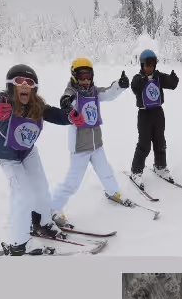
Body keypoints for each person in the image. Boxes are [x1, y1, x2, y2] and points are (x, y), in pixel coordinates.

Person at [0, 64, 79, 255]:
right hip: (8, 156)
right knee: (23, 195)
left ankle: (43, 222)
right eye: (18, 82)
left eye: (29, 82)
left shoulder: (37, 105)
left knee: (41, 189)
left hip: (28, 152)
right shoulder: (5, 101)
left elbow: (54, 114)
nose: (24, 85)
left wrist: (70, 117)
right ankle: (18, 244)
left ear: (34, 88)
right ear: (11, 86)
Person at [49, 58, 131, 227]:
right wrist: (66, 103)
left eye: (88, 76)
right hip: (80, 146)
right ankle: (54, 208)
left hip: (96, 143)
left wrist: (119, 85)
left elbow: (108, 93)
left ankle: (113, 192)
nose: (85, 81)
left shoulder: (93, 91)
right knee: (73, 181)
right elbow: (66, 98)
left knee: (105, 170)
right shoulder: (73, 92)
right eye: (81, 77)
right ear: (74, 76)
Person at [129, 49, 179, 188]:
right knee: (144, 143)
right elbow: (135, 86)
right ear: (142, 65)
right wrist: (143, 79)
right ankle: (136, 171)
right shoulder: (138, 77)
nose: (149, 67)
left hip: (158, 113)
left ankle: (160, 166)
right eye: (147, 64)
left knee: (160, 141)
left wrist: (173, 80)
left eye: (152, 64)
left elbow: (170, 84)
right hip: (144, 114)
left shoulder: (158, 76)